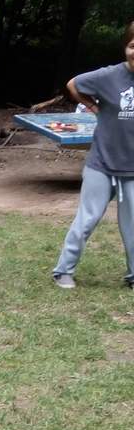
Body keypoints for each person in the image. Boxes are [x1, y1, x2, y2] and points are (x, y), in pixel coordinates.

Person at [53, 23, 134, 290]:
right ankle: (63, 271)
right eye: (132, 46)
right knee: (87, 219)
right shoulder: (109, 76)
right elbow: (73, 84)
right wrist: (91, 105)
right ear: (125, 48)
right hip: (102, 163)